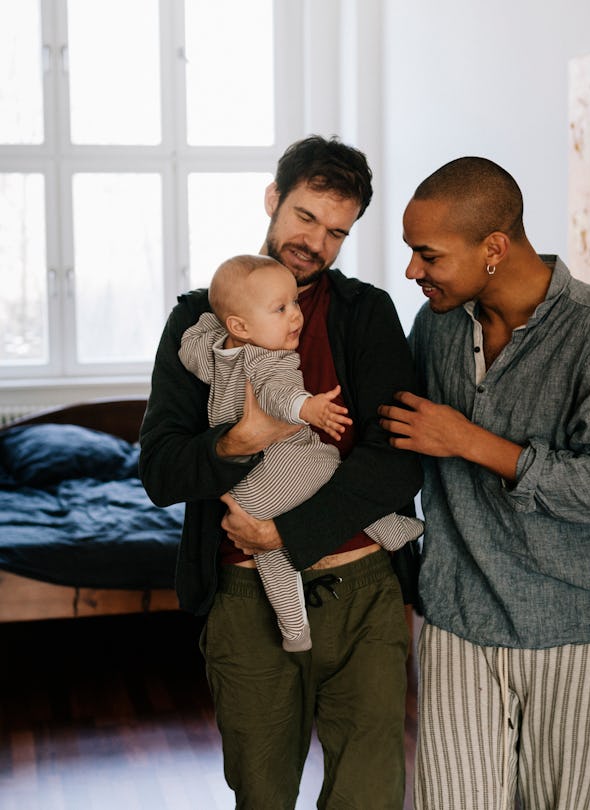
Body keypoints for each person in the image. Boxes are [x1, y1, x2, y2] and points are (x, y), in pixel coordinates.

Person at [139, 135, 422, 809]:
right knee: (263, 795)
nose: (315, 242)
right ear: (273, 199)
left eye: (336, 232)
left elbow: (399, 460)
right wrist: (238, 440)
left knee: (369, 796)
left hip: (362, 598)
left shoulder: (367, 314)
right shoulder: (199, 321)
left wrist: (286, 535)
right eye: (304, 217)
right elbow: (159, 469)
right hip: (246, 606)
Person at [378, 156, 590, 810]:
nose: (413, 271)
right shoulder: (437, 325)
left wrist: (469, 441)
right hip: (457, 616)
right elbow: (399, 443)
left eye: (428, 255)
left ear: (494, 248)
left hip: (577, 626)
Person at [178, 253, 423, 653]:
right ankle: (387, 526)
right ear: (240, 325)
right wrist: (308, 408)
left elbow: (190, 347)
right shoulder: (267, 358)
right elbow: (278, 393)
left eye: (295, 303)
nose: (296, 316)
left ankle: (294, 629)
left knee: (271, 556)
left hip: (246, 490)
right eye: (281, 308)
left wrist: (211, 322)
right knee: (334, 467)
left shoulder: (216, 356)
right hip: (284, 467)